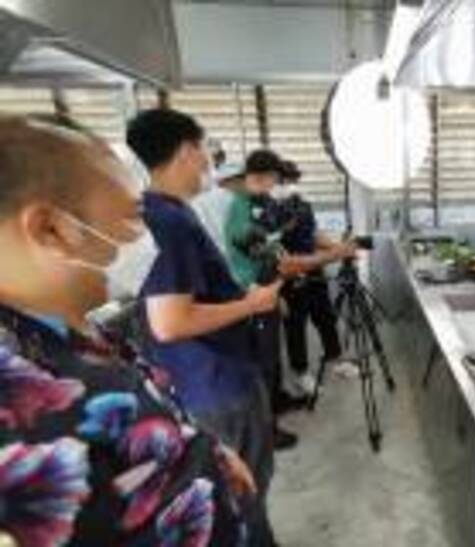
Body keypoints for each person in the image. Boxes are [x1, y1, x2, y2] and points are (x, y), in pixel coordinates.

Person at [0, 114, 256, 545]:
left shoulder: (59, 326)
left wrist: (209, 453)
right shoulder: (21, 424)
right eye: (135, 219)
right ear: (52, 230)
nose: (145, 241)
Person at [127, 109, 281, 545]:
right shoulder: (167, 221)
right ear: (185, 150)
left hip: (209, 375)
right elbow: (170, 322)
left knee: (246, 486)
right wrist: (252, 303)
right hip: (216, 383)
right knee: (243, 492)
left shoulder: (168, 211)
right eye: (204, 150)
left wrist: (239, 295)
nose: (208, 162)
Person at [223, 149, 300, 449]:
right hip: (252, 290)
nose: (276, 186)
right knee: (263, 361)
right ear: (263, 176)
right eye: (275, 179)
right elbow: (249, 245)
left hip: (269, 285)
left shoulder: (261, 201)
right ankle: (267, 431)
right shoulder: (240, 205)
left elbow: (272, 238)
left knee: (273, 353)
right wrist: (276, 245)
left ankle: (277, 400)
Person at [273, 160, 359, 394]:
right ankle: (300, 372)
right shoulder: (269, 211)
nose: (290, 185)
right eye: (285, 181)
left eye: (293, 180)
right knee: (296, 325)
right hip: (289, 274)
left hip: (314, 268)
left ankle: (336, 358)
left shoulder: (303, 205)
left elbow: (312, 234)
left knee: (325, 316)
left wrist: (338, 247)